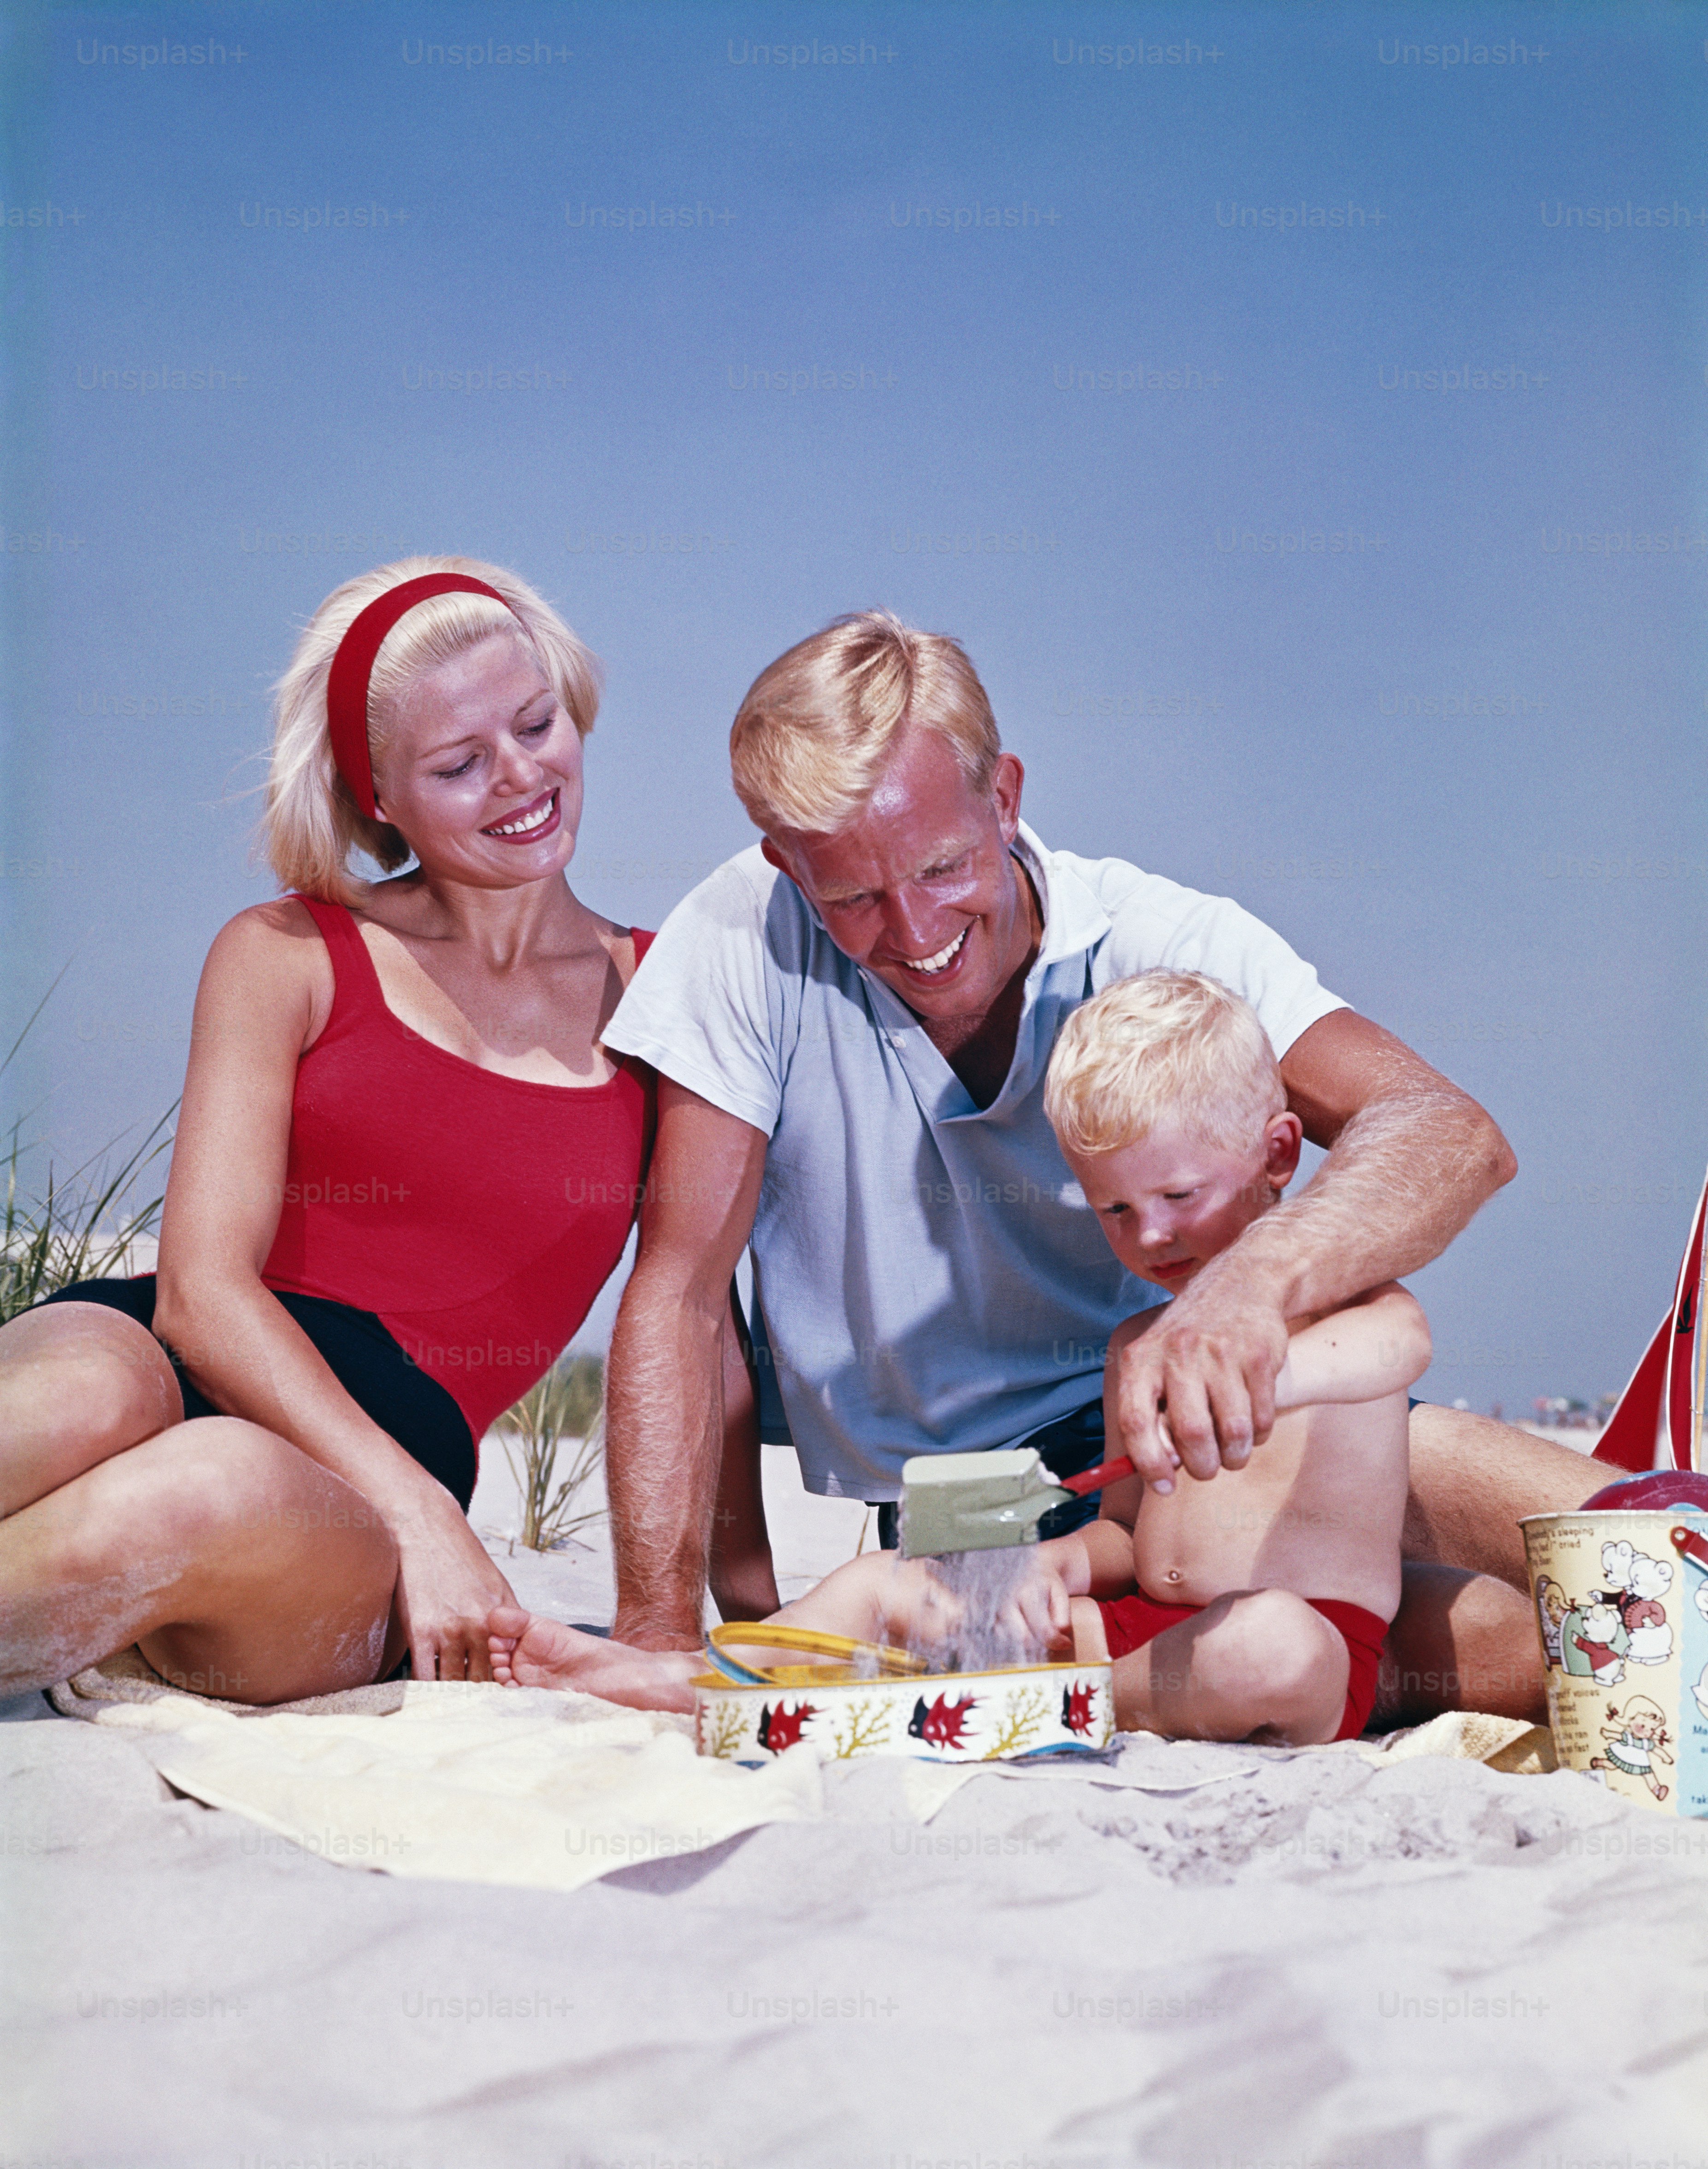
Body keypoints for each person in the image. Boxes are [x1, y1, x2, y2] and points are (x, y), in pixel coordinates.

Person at [595, 609, 1599, 1725]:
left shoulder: (1156, 939)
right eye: (852, 900)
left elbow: (1444, 1131)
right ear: (787, 865)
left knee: (1461, 1495)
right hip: (988, 1504)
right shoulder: (735, 940)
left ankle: (1669, 1541)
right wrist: (664, 1630)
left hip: (1199, 1424)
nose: (914, 929)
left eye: (942, 866)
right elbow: (682, 1293)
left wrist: (1241, 1288)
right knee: (1470, 1647)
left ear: (1004, 796)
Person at [0, 557, 750, 1704]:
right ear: (378, 799)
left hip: (350, 1501)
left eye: (535, 724)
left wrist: (715, 1612)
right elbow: (201, 1293)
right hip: (176, 1353)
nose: (521, 775)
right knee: (86, 1397)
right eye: (458, 764)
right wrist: (425, 1512)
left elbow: (696, 1309)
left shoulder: (665, 999)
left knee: (210, 1483)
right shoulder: (284, 953)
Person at [485, 967, 1425, 1748]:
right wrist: (1056, 1564)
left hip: (1296, 1649)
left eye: (1178, 1195)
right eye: (1114, 1209)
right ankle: (697, 1678)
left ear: (1277, 1155)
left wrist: (1258, 1375)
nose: (1150, 1234)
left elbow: (1399, 1346)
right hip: (1131, 1632)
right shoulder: (1137, 1345)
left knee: (1267, 1646)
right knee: (881, 1584)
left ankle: (988, 1700)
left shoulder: (1350, 1309)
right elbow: (1130, 1537)